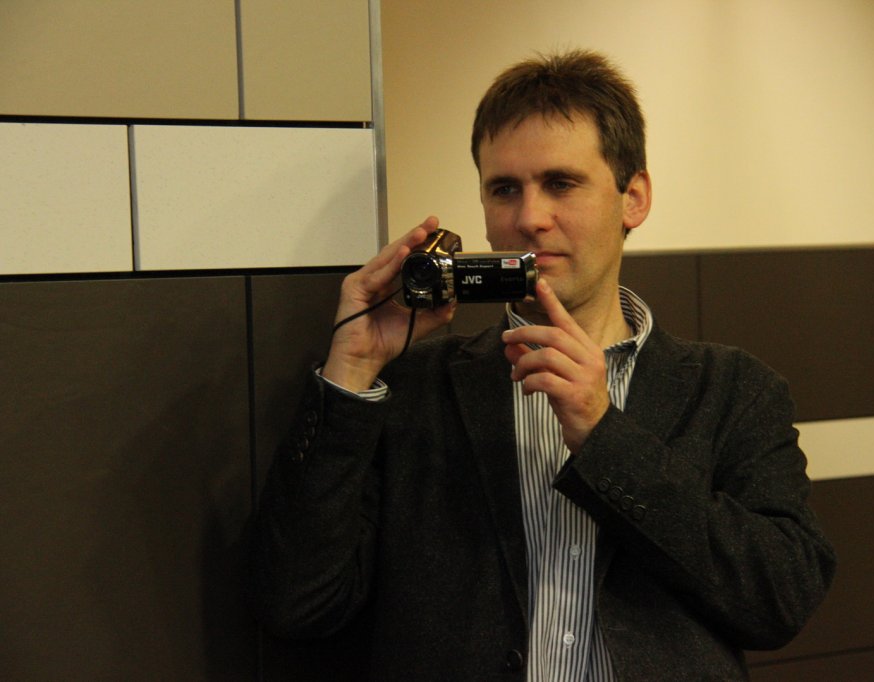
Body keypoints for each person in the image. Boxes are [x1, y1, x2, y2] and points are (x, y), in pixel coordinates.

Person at [253, 49, 836, 681]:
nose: (529, 219)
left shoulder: (733, 391)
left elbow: (780, 600)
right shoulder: (416, 386)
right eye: (504, 189)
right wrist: (351, 372)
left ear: (633, 198)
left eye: (561, 183)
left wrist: (606, 437)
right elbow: (299, 604)